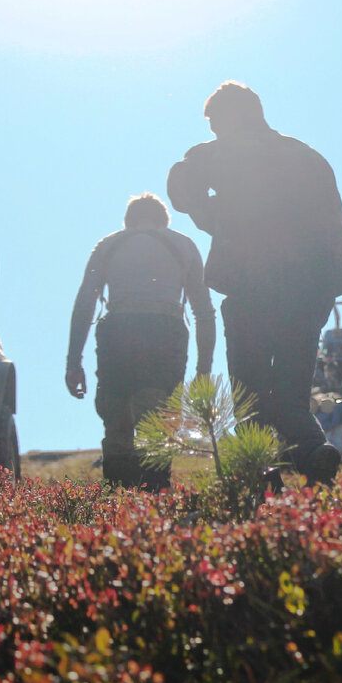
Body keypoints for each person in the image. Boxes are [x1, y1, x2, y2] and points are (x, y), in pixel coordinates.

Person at [166, 81, 342, 483]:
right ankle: (314, 455)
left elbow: (180, 189)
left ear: (232, 115)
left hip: (251, 288)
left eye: (215, 122)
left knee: (249, 394)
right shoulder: (307, 156)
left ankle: (263, 486)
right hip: (309, 292)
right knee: (290, 393)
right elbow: (336, 225)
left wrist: (211, 214)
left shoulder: (221, 153)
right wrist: (334, 286)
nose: (213, 130)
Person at [66, 192, 214, 489]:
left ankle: (118, 498)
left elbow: (85, 303)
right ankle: (155, 496)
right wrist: (203, 370)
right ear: (164, 221)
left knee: (116, 419)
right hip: (165, 331)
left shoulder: (108, 245)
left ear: (128, 221)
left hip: (117, 331)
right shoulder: (183, 244)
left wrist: (73, 362)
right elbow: (203, 313)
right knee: (159, 419)